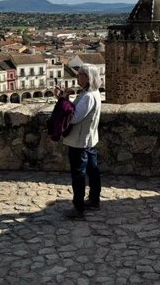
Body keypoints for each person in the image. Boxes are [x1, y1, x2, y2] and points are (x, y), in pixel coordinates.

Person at [57, 64, 102, 220]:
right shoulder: (91, 93)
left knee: (79, 175)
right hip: (89, 140)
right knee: (93, 172)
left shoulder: (88, 96)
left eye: (80, 74)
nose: (77, 77)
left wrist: (63, 102)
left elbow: (74, 117)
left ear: (88, 78)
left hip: (79, 142)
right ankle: (94, 200)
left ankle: (78, 208)